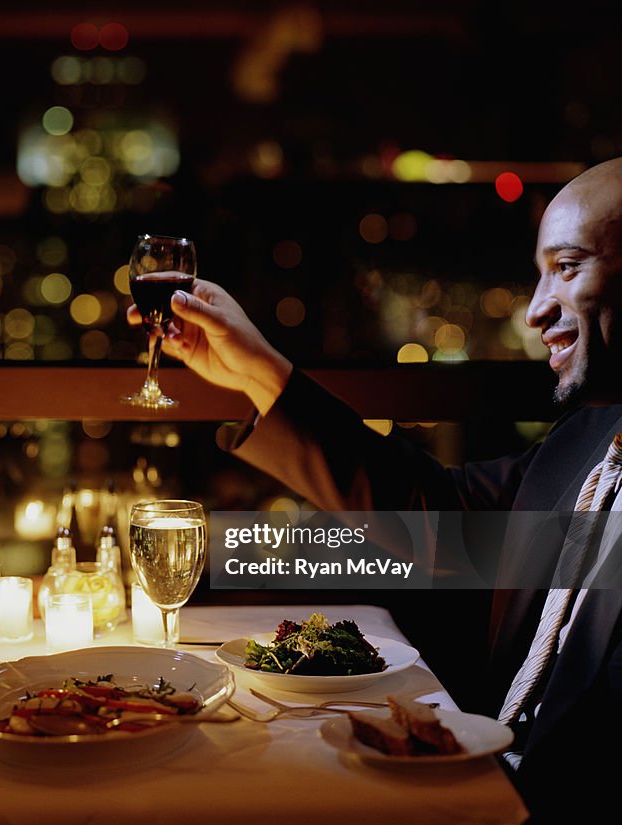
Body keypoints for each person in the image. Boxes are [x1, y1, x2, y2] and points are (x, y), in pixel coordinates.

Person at [130, 156, 622, 823]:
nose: (536, 310)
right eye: (539, 274)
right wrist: (259, 372)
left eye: (567, 268)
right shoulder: (586, 442)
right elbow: (436, 513)